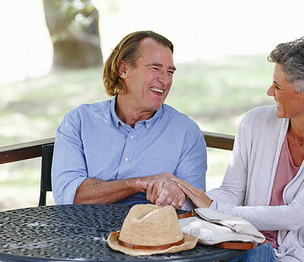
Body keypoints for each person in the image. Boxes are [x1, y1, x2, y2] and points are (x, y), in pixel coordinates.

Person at [175, 37, 304, 261]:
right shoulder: (254, 123)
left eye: (278, 86)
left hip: (298, 255)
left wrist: (214, 208)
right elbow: (232, 192)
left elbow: (295, 215)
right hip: (244, 240)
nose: (269, 92)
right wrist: (186, 198)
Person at [52, 30, 207, 209]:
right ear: (124, 69)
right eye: (155, 68)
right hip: (84, 232)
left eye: (170, 72)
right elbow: (69, 197)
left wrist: (176, 194)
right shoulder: (79, 122)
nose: (164, 80)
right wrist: (138, 184)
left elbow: (195, 205)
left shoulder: (186, 132)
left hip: (154, 233)